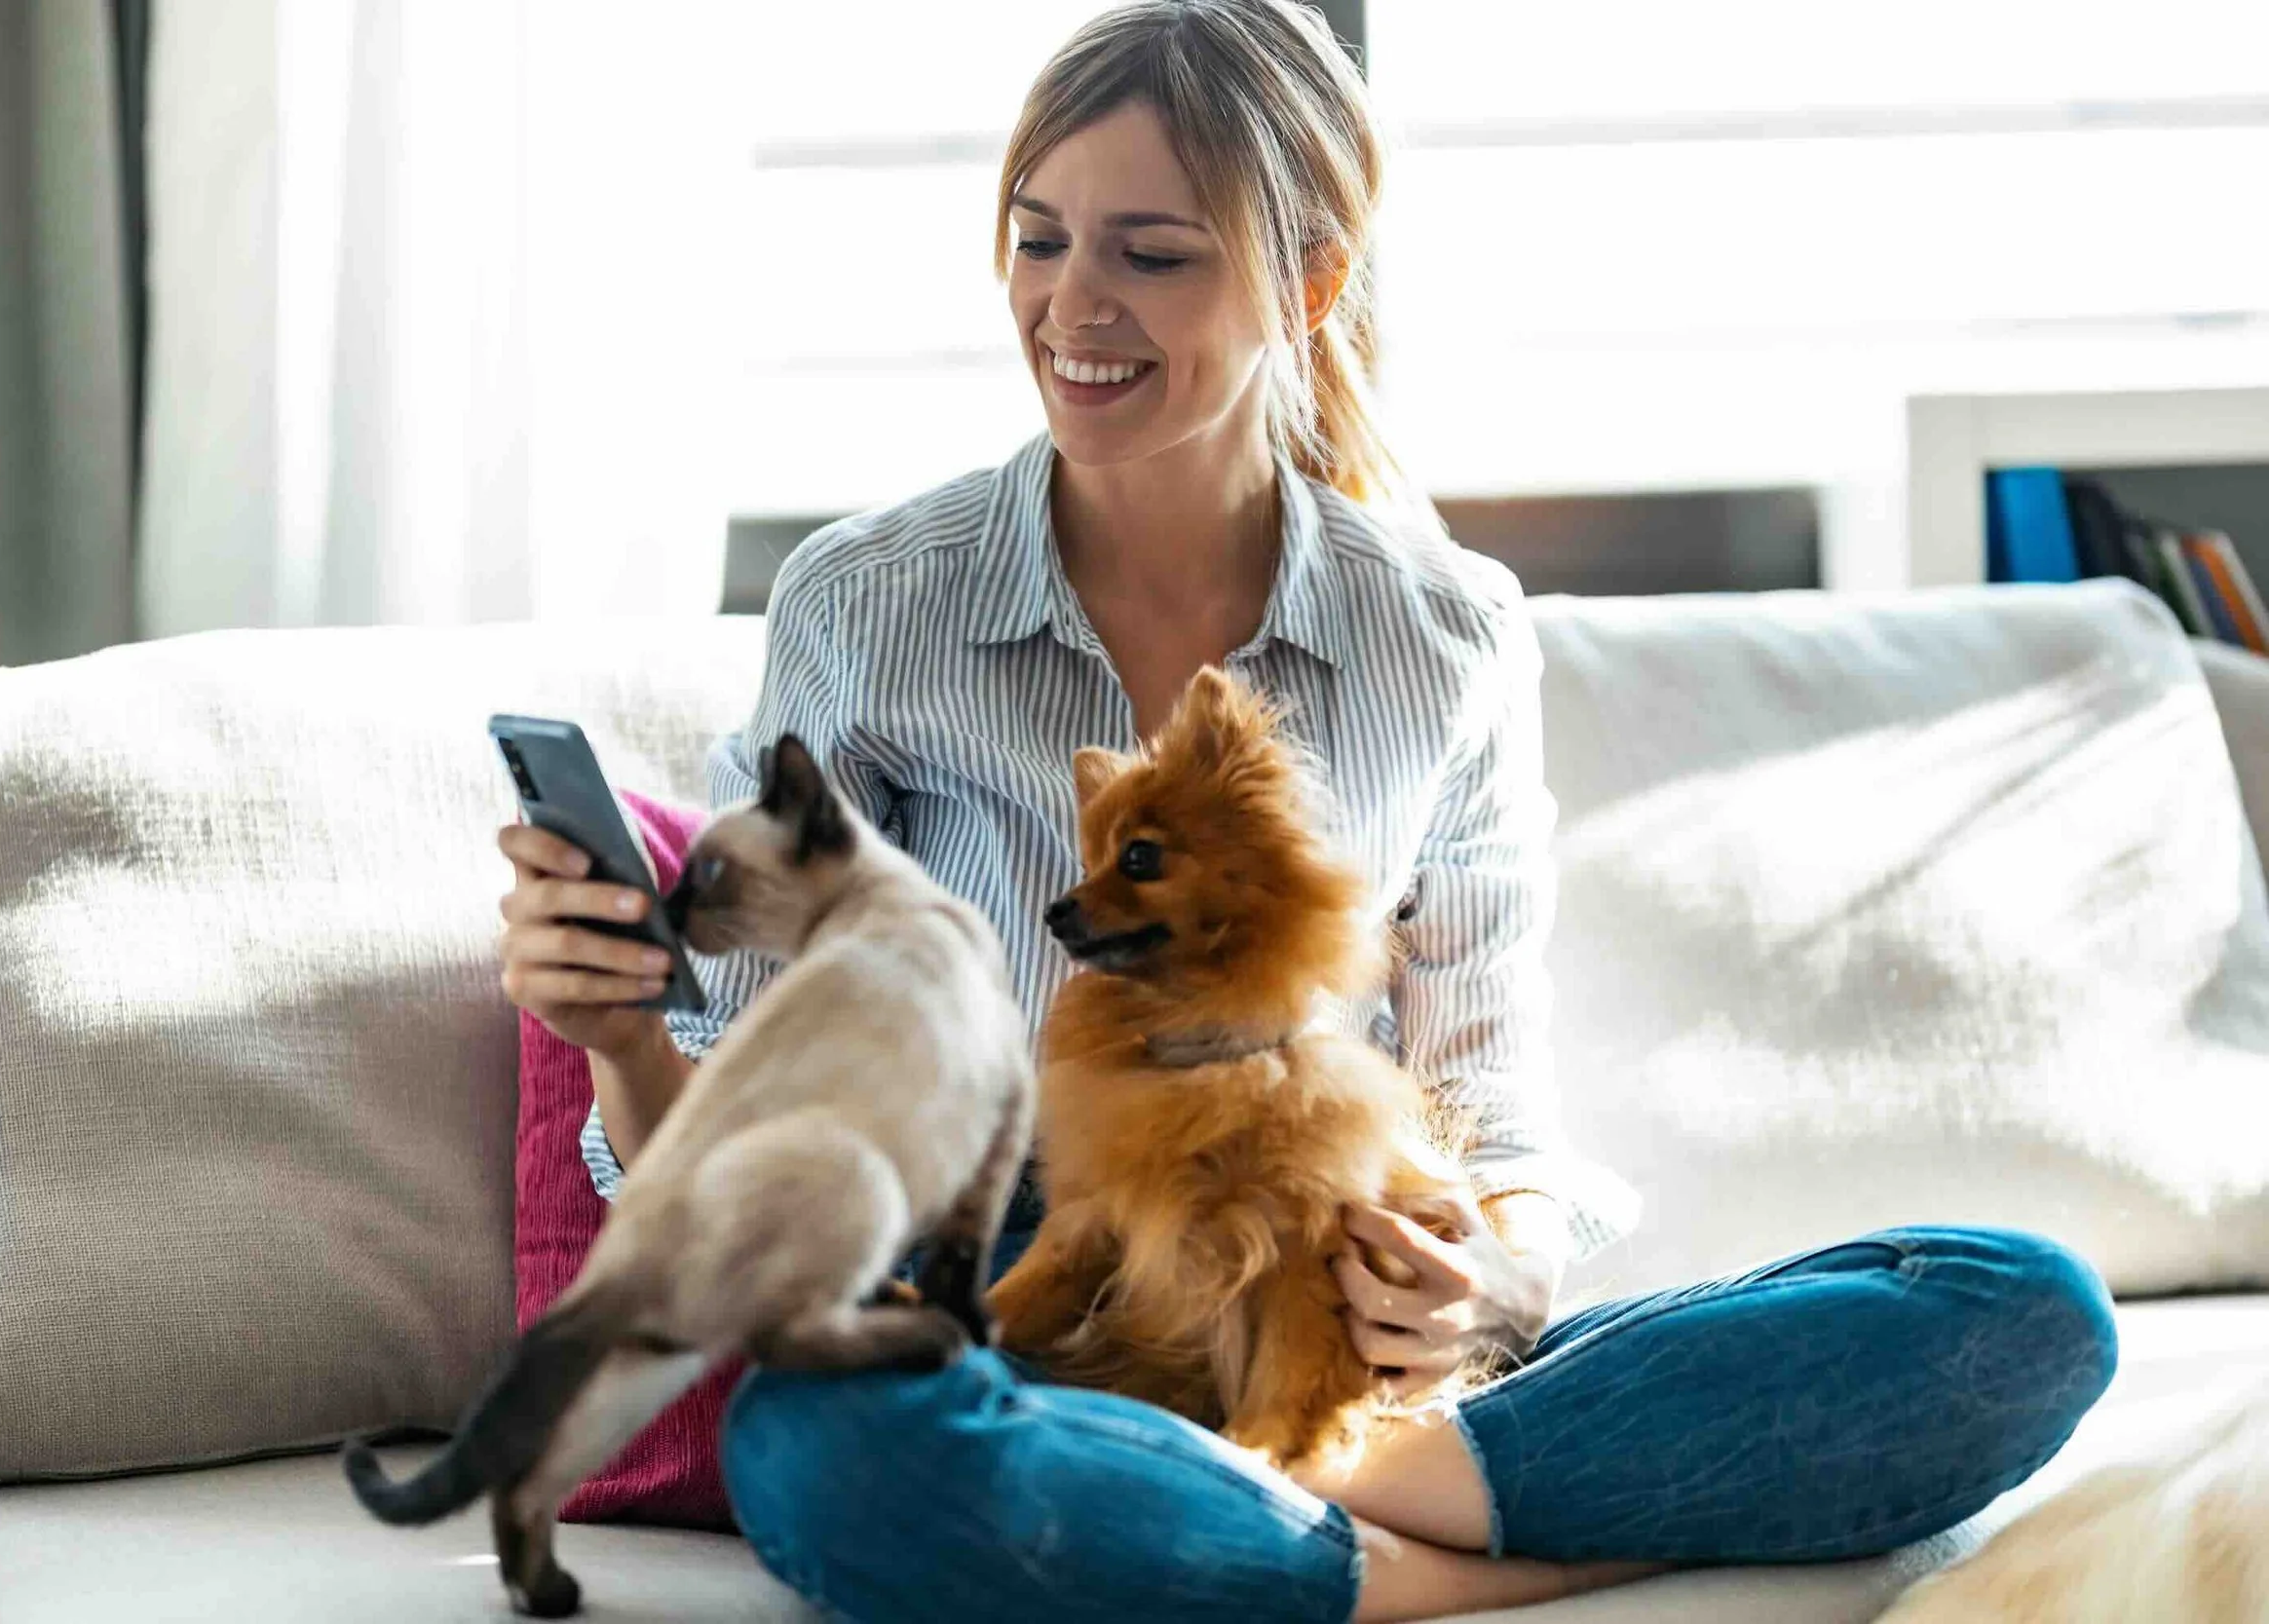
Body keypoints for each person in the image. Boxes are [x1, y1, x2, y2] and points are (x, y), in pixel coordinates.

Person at [491, 4, 2117, 1618]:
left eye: (1152, 253)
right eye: (1040, 238)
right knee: (822, 1454)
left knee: (2019, 1311)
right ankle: (1443, 1554)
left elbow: (1491, 1098)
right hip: (1018, 1309)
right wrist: (621, 1036)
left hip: (1332, 1297)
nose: (1072, 303)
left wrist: (1489, 1276)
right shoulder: (867, 605)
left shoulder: (1445, 631)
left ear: (1314, 280)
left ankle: (1319, 1492)